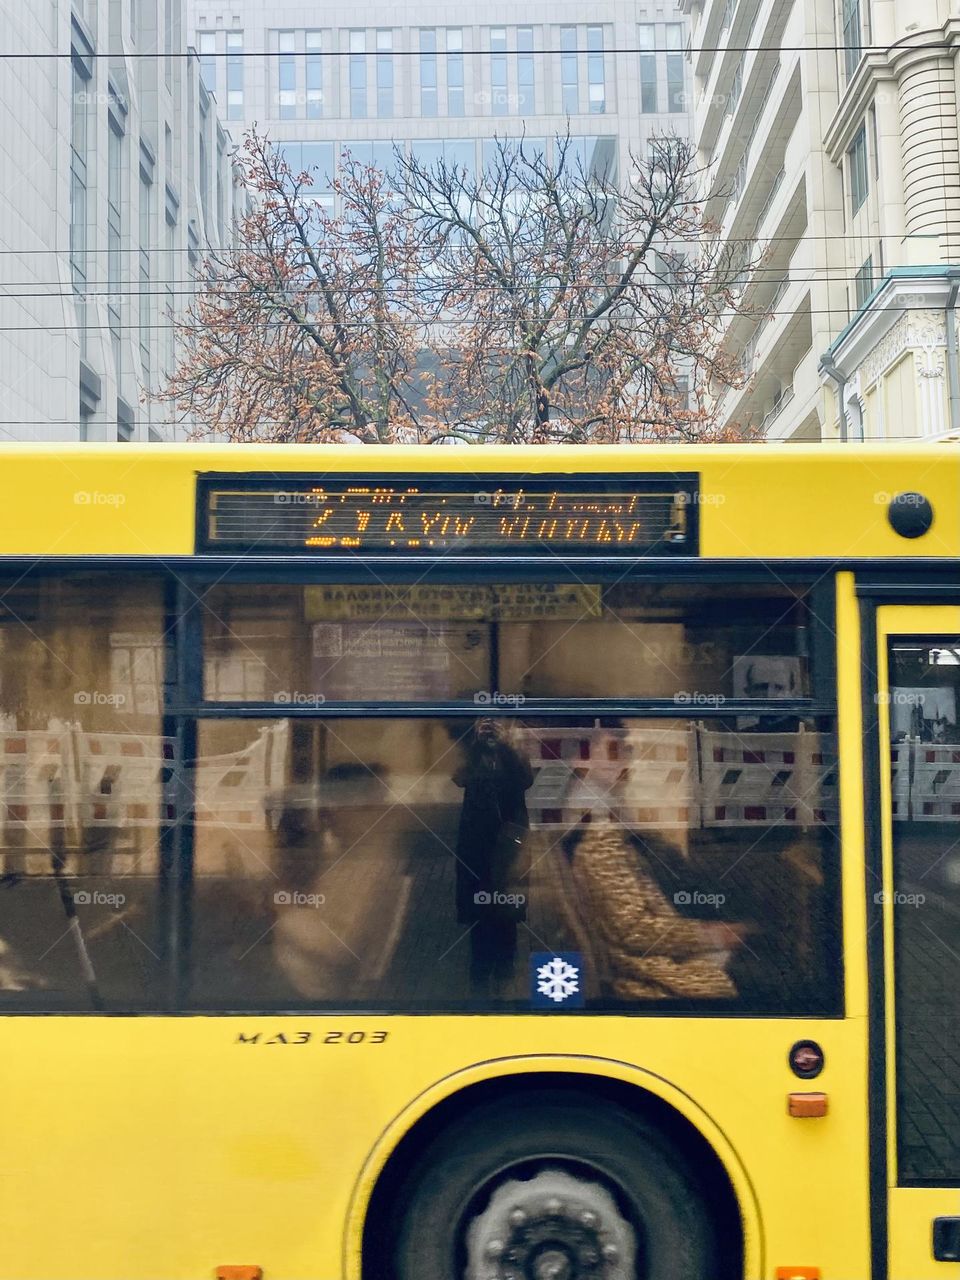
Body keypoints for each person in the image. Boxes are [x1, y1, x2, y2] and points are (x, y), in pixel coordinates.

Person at [452, 717, 534, 995]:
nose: (491, 731)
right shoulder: (472, 749)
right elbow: (459, 778)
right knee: (479, 903)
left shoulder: (514, 745)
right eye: (488, 727)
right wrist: (475, 745)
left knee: (507, 898)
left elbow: (526, 779)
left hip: (509, 836)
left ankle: (505, 964)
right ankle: (481, 966)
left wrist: (507, 747)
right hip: (477, 839)